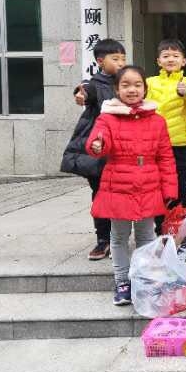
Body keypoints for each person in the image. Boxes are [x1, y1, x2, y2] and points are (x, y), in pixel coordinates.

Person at [85, 65, 177, 305]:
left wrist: (170, 189)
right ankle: (122, 282)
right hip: (119, 184)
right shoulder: (107, 117)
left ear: (145, 89)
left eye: (137, 85)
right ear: (116, 89)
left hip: (148, 183)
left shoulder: (157, 120)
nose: (132, 90)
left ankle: (144, 280)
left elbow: (166, 157)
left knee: (146, 236)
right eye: (125, 85)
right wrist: (97, 144)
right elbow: (98, 140)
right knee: (119, 237)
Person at [61, 38, 126, 261]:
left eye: (123, 59)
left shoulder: (127, 83)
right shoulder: (96, 85)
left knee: (122, 195)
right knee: (100, 195)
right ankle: (103, 239)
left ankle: (119, 238)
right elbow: (86, 90)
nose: (120, 63)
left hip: (123, 149)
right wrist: (81, 94)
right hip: (99, 151)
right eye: (115, 58)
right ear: (100, 61)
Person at [145, 39, 186, 230]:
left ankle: (179, 227)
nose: (170, 59)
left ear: (184, 61)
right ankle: (160, 227)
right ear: (158, 61)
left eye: (175, 56)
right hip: (155, 145)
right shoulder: (149, 82)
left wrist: (185, 91)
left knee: (180, 186)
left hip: (179, 144)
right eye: (166, 56)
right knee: (157, 187)